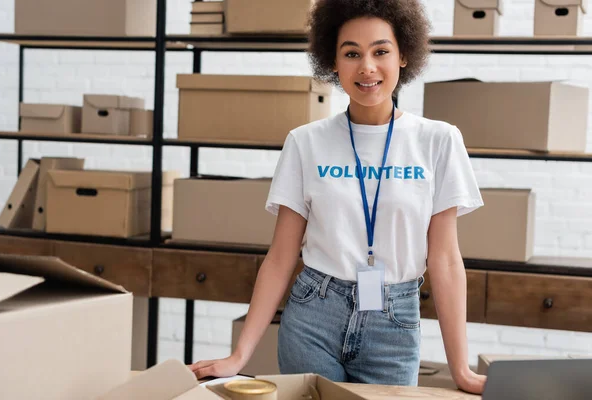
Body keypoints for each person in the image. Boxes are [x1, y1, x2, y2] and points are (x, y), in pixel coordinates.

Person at [191, 0, 486, 394]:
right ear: (332, 61)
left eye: (381, 51)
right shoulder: (305, 142)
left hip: (394, 322)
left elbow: (446, 260)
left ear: (403, 57)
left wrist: (461, 370)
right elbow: (280, 257)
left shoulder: (438, 141)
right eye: (351, 53)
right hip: (314, 315)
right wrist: (239, 355)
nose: (367, 67)